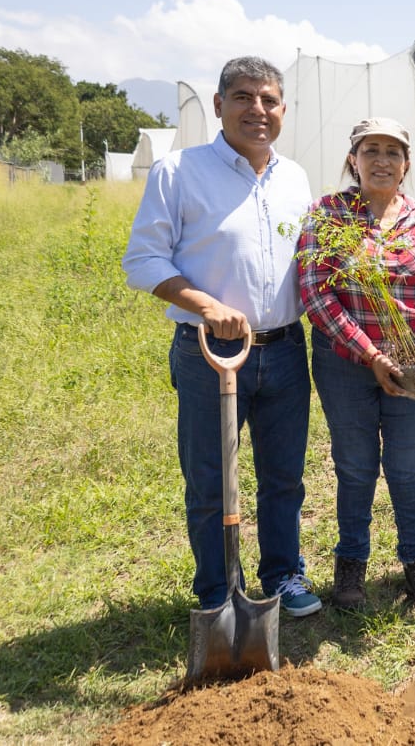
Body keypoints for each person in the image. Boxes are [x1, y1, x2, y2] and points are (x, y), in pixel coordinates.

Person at [122, 56, 320, 617]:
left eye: (269, 100)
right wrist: (207, 307)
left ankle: (283, 575)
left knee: (284, 477)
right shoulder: (180, 172)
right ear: (219, 105)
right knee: (211, 481)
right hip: (210, 354)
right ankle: (216, 589)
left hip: (284, 349)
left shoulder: (296, 178)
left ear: (282, 110)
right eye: (243, 98)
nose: (257, 110)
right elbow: (143, 260)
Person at [298, 117, 415, 610]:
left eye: (393, 151)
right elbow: (314, 293)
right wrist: (371, 355)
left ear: (406, 164)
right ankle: (351, 567)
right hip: (345, 364)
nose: (382, 160)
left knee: (408, 468)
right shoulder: (328, 215)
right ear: (354, 159)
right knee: (355, 467)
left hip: (412, 367)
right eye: (371, 150)